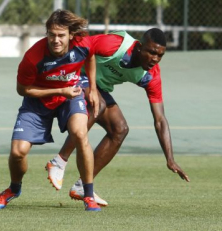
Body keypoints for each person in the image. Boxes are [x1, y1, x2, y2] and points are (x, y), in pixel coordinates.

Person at [45, 28, 190, 207]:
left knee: (119, 130)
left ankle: (83, 185)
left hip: (97, 87)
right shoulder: (115, 45)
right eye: (151, 52)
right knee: (100, 102)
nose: (155, 59)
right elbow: (82, 45)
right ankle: (59, 161)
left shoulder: (151, 76)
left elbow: (160, 119)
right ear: (139, 47)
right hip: (73, 74)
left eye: (160, 55)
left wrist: (170, 158)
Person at [0, 9, 102, 211]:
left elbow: (91, 57)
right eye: (51, 35)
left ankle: (88, 193)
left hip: (70, 96)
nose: (56, 40)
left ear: (70, 36)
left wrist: (92, 88)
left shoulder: (82, 44)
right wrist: (60, 89)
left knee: (80, 133)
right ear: (46, 34)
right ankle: (14, 189)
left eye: (61, 35)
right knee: (17, 152)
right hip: (38, 100)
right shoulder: (33, 57)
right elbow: (22, 89)